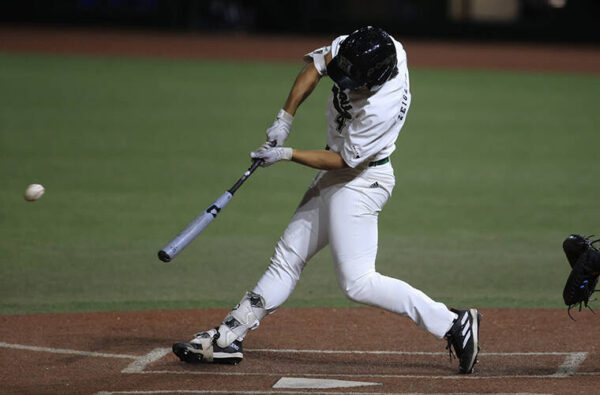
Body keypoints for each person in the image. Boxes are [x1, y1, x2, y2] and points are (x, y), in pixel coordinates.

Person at [172, 26, 482, 374]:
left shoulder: (383, 106)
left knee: (358, 282)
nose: (344, 82)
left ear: (375, 79)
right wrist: (283, 119)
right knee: (287, 257)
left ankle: (452, 322)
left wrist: (287, 154)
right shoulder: (365, 45)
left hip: (362, 180)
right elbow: (317, 68)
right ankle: (228, 337)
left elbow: (345, 161)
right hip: (337, 172)